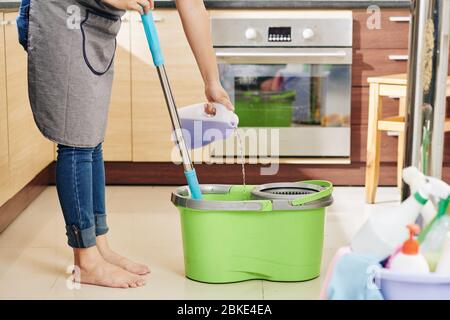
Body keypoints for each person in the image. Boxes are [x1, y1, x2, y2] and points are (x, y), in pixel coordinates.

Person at [19, 0, 233, 288]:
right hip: (61, 14)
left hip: (96, 19)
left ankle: (99, 246)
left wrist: (212, 81)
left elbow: (193, 5)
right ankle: (86, 259)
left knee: (91, 138)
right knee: (76, 141)